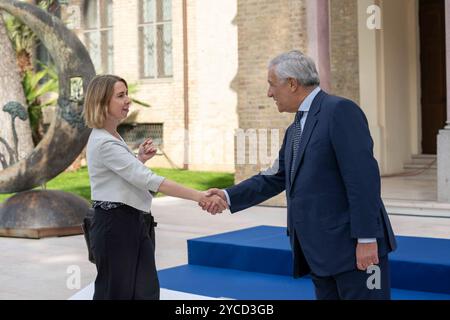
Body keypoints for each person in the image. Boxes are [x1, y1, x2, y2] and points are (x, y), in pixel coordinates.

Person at [203, 50, 397, 300]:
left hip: (354, 252)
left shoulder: (339, 111)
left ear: (292, 83)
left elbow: (363, 181)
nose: (269, 93)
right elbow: (274, 176)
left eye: (272, 85)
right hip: (319, 254)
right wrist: (228, 196)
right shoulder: (295, 128)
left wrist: (367, 238)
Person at [83, 74, 227, 300]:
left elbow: (124, 177)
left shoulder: (112, 136)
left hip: (132, 222)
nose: (128, 100)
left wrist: (138, 159)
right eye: (120, 96)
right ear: (101, 102)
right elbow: (150, 180)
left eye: (127, 94)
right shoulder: (104, 141)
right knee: (115, 293)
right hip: (115, 226)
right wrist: (199, 195)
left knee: (146, 292)